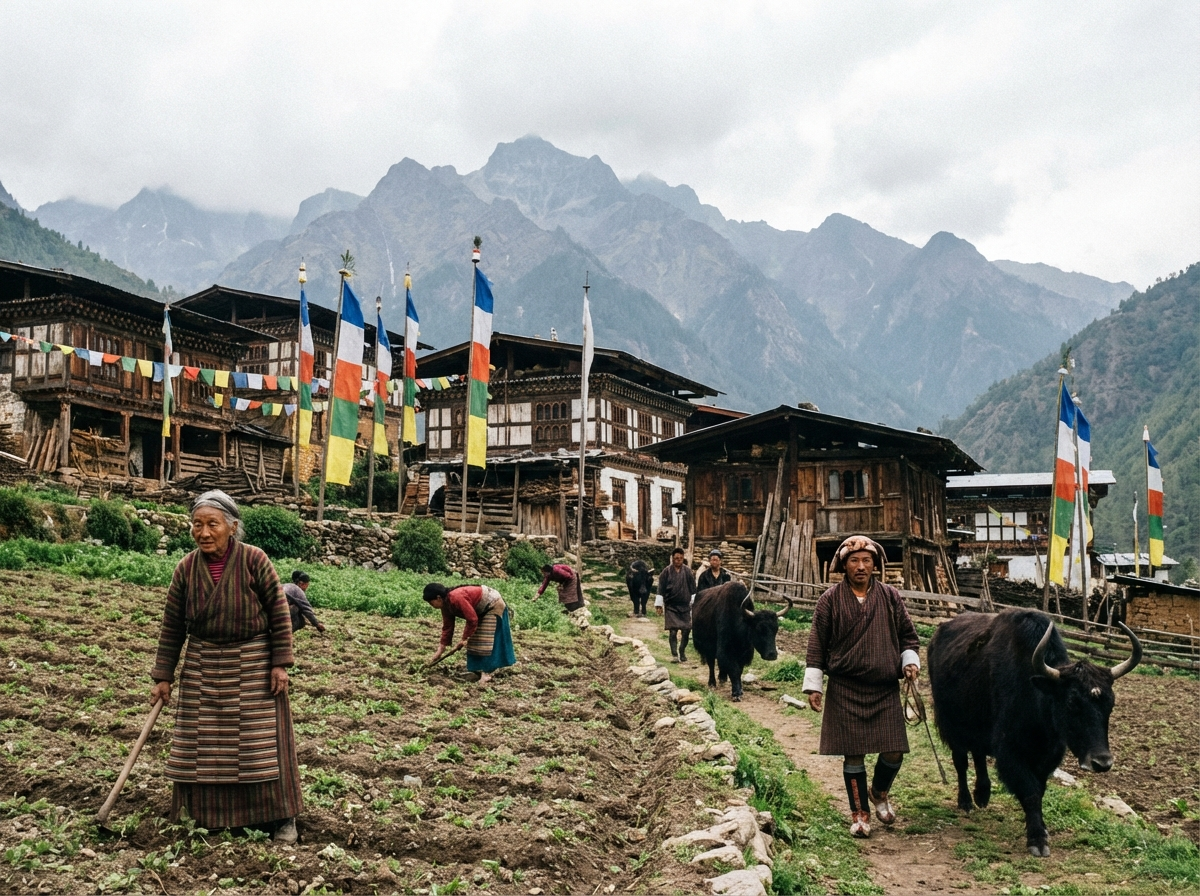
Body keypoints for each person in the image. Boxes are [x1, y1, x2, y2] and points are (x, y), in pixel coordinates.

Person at [149, 490, 303, 844]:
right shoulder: (186, 568)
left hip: (253, 664)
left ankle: (282, 819)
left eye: (212, 524)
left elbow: (280, 614)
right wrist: (163, 676)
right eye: (197, 524)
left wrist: (280, 663)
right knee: (200, 749)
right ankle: (204, 817)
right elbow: (172, 625)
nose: (203, 532)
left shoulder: (255, 560)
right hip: (203, 664)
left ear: (232, 527)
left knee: (260, 747)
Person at [802, 535, 920, 839]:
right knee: (853, 755)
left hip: (883, 688)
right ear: (843, 565)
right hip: (845, 687)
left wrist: (910, 661)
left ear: (875, 564)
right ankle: (859, 812)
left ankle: (879, 792)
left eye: (867, 560)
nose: (861, 566)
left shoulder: (891, 596)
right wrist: (814, 686)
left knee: (894, 750)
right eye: (854, 560)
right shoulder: (829, 600)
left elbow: (908, 636)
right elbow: (817, 646)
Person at [422, 582, 516, 685]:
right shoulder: (445, 605)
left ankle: (487, 673)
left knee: (485, 641)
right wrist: (440, 651)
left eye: (431, 603)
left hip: (492, 605)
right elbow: (448, 627)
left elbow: (472, 619)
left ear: (438, 598)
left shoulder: (456, 597)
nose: (431, 606)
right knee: (474, 641)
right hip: (480, 611)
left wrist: (464, 639)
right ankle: (478, 670)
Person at [656, 547, 696, 663]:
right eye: (676, 558)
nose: (678, 560)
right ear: (672, 559)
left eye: (680, 558)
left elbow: (693, 589)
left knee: (686, 630)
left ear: (683, 559)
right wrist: (659, 604)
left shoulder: (688, 572)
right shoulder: (666, 572)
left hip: (685, 606)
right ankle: (674, 654)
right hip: (671, 606)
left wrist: (693, 602)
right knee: (673, 631)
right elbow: (660, 589)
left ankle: (682, 651)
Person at [284, 570, 326, 635]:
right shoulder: (297, 590)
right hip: (278, 612)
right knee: (300, 619)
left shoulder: (285, 585)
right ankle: (285, 634)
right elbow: (306, 609)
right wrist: (317, 624)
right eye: (307, 585)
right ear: (301, 583)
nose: (306, 588)